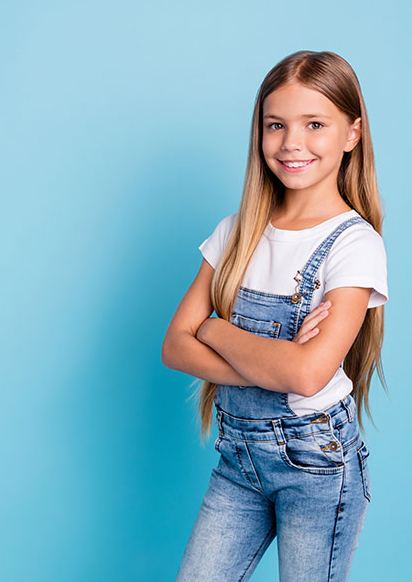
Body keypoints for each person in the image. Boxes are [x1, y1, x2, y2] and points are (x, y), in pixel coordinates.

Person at [161, 50, 389, 581]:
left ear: (352, 133)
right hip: (238, 458)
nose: (292, 143)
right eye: (276, 125)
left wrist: (214, 330)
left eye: (315, 124)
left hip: (317, 461)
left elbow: (309, 375)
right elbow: (175, 346)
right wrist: (277, 360)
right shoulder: (235, 231)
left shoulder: (353, 245)